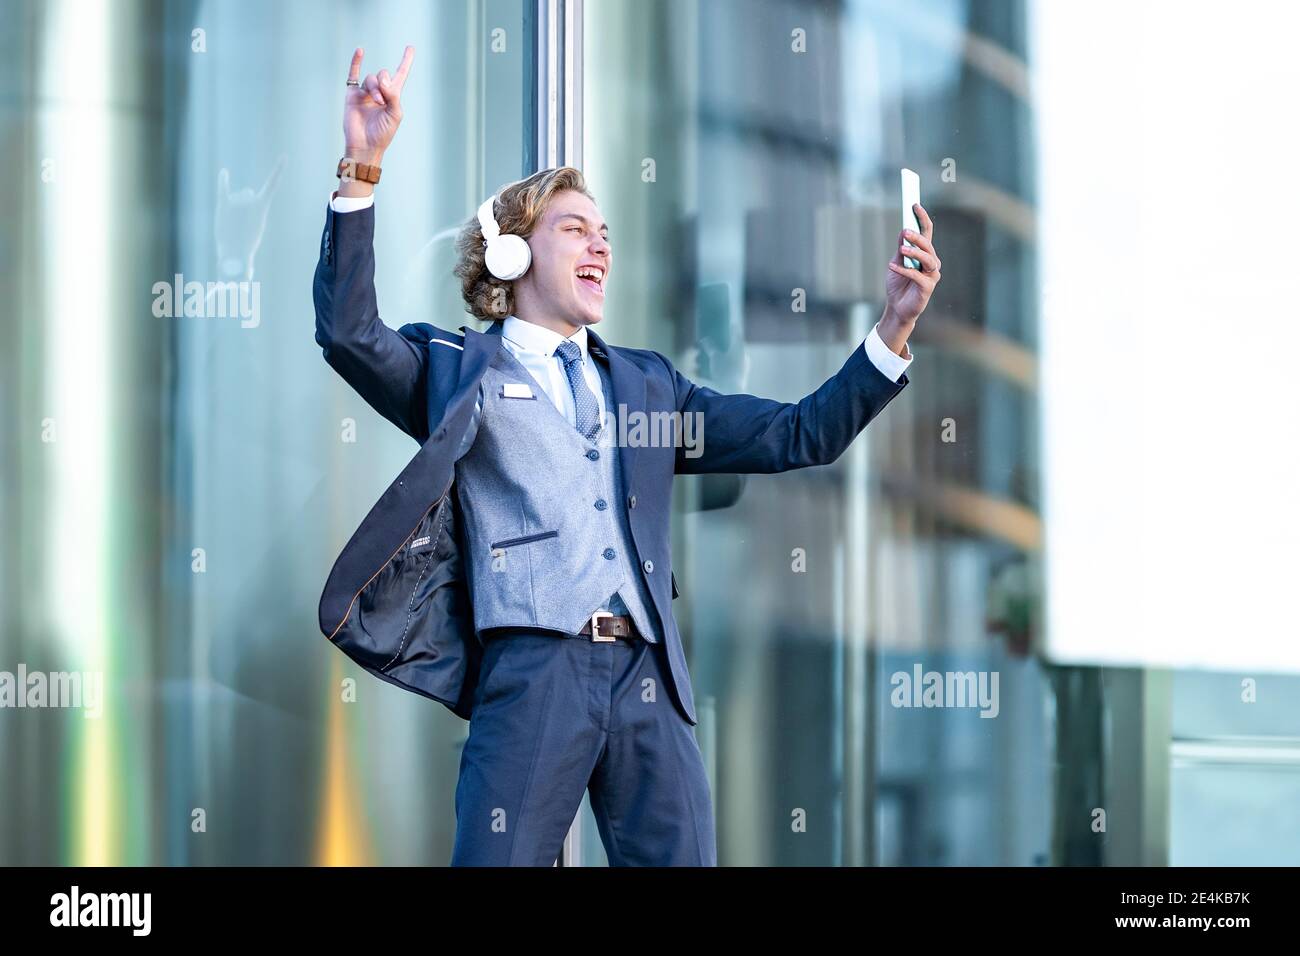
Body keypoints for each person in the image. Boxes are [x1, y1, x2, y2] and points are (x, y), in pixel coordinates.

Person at [314, 46, 942, 866]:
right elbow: (349, 332)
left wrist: (892, 330)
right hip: (531, 670)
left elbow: (799, 433)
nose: (600, 246)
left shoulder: (647, 387)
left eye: (604, 234)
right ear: (511, 254)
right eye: (574, 229)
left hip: (648, 675)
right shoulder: (457, 370)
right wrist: (362, 165)